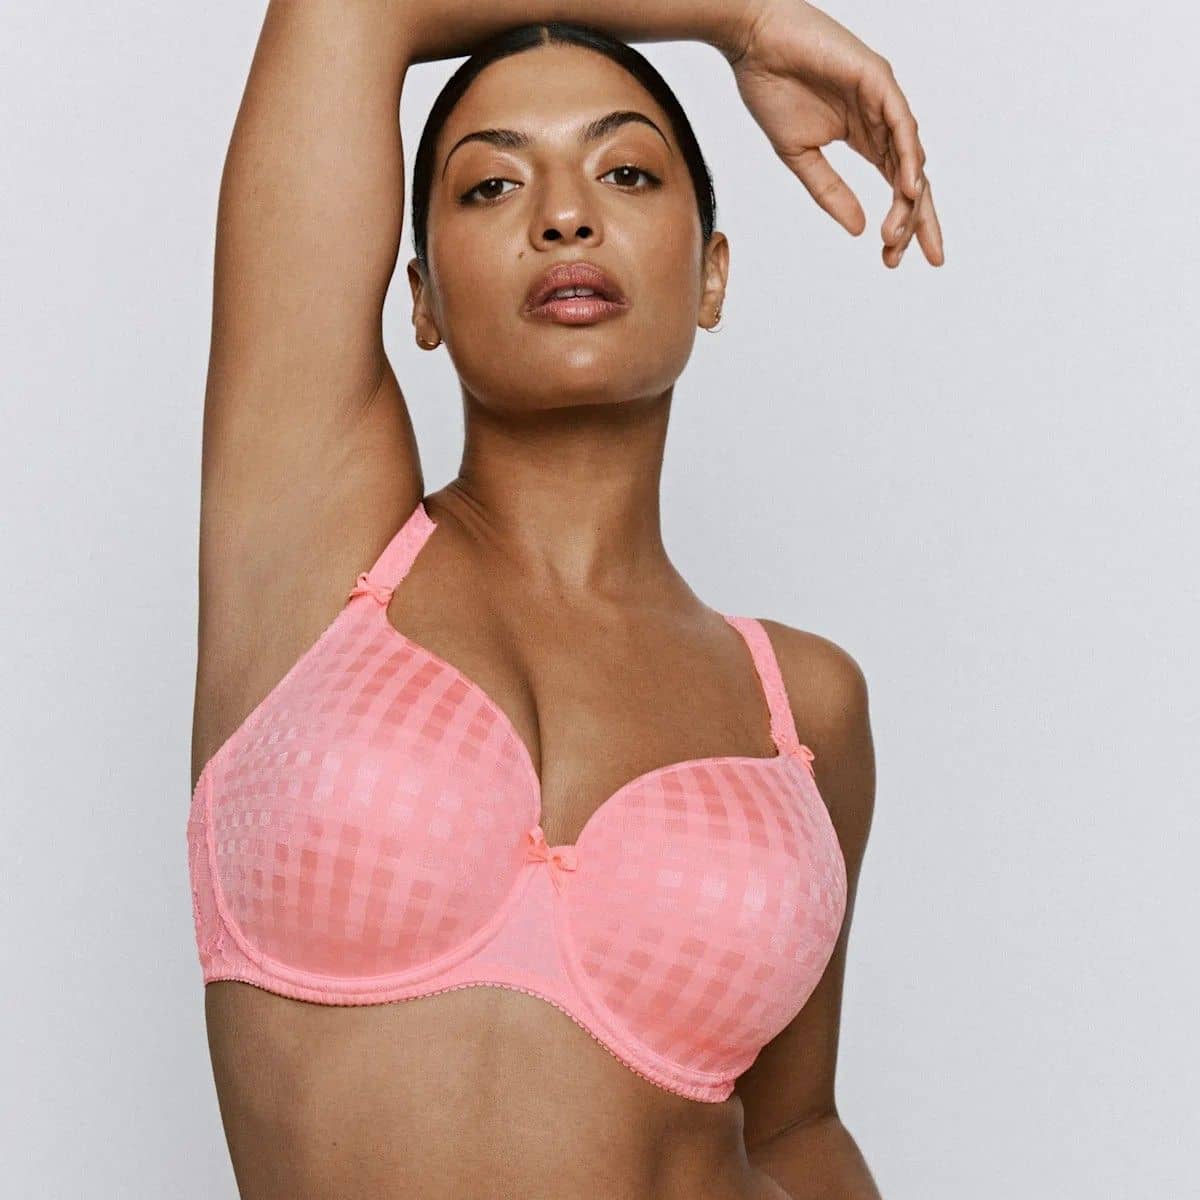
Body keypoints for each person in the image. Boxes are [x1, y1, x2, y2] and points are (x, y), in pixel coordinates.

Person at [186, 1, 942, 1196]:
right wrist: (741, 20)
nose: (565, 215)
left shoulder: (802, 706)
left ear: (712, 275)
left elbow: (797, 1130)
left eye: (626, 172)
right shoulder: (314, 548)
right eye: (492, 186)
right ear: (421, 298)